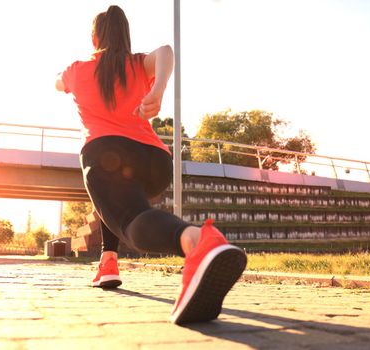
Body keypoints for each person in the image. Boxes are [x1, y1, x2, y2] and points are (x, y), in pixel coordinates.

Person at [55, 5, 246, 324]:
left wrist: (66, 80)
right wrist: (157, 90)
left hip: (104, 153)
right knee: (115, 199)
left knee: (131, 219)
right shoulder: (136, 63)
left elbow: (57, 83)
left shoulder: (77, 69)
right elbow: (166, 52)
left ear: (94, 37)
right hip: (154, 162)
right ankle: (108, 261)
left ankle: (199, 242)